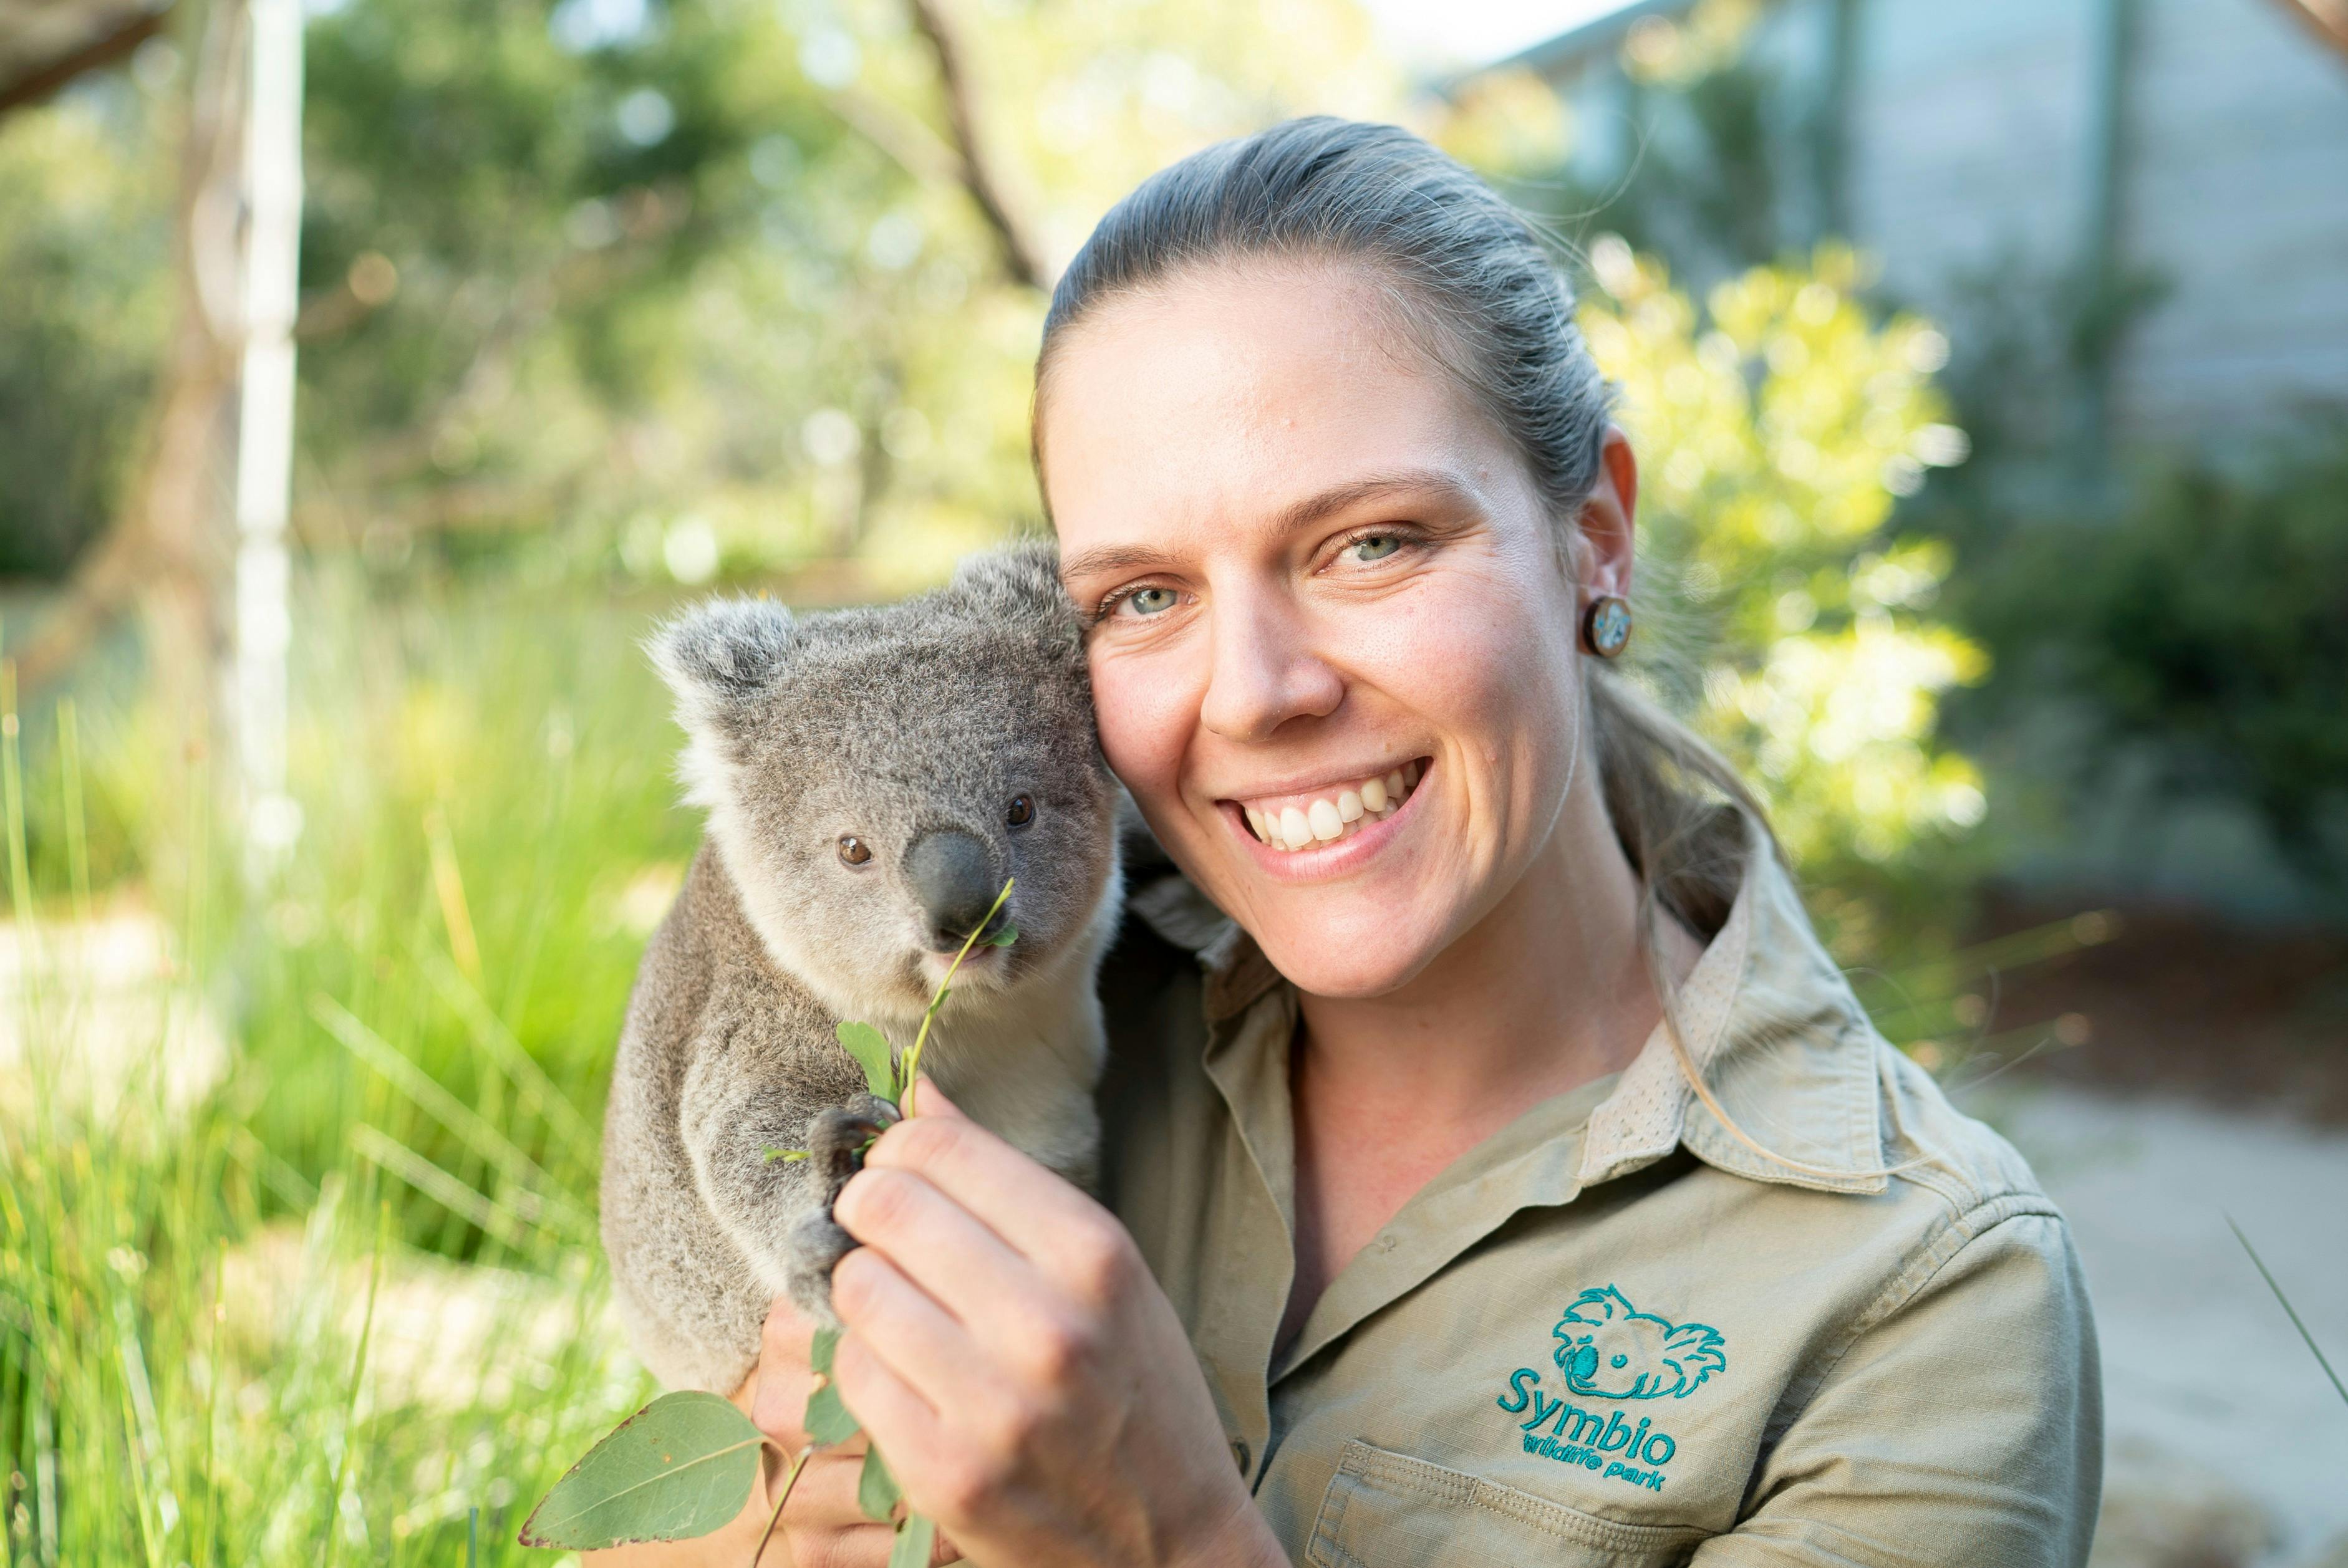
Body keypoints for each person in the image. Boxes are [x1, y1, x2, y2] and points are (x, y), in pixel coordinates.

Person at [600, 116, 2101, 1567]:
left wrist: (1164, 1543)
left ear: (1594, 538)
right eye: (1141, 595)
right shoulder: (1008, 998)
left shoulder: (1921, 1303)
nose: (1256, 693)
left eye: (1367, 544)